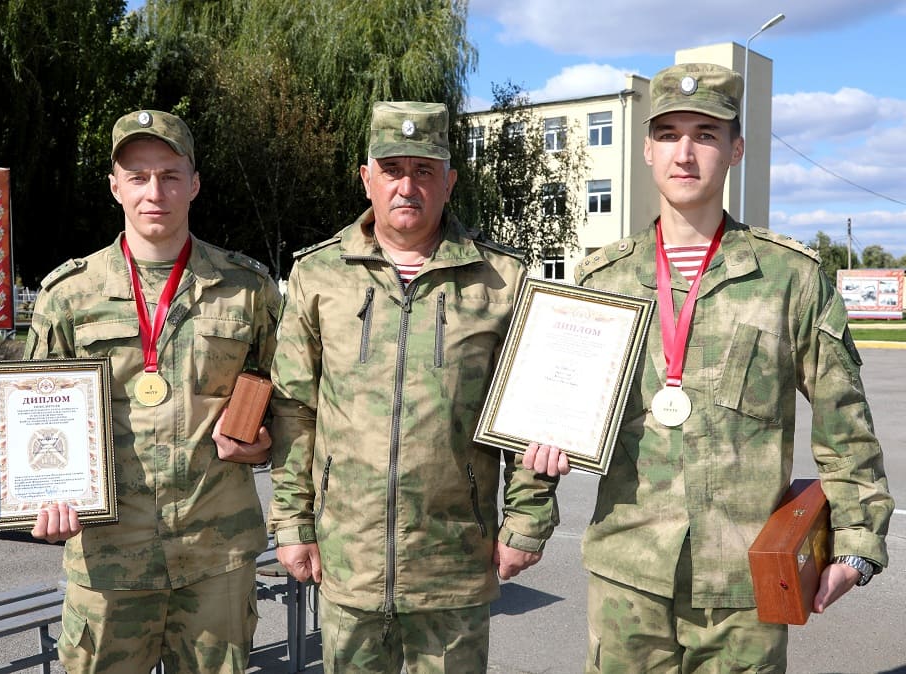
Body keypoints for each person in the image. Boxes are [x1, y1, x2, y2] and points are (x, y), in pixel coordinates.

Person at [524, 63, 894, 672]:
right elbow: (546, 415)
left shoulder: (790, 279)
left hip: (745, 585)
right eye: (668, 134)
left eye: (705, 134)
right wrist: (528, 516)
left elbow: (844, 422)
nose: (685, 152)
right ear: (647, 149)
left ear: (735, 149)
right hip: (627, 576)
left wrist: (856, 543)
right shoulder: (600, 281)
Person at [268, 101, 560, 673]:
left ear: (448, 183)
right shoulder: (320, 275)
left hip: (454, 564)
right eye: (392, 170)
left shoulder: (501, 280)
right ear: (366, 179)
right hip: (348, 559)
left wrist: (526, 522)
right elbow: (295, 409)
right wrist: (293, 523)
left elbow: (533, 413)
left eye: (424, 171)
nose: (407, 186)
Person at [25, 109, 282, 673]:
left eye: (169, 175)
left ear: (194, 184)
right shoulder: (68, 295)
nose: (154, 192)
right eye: (138, 177)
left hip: (215, 557)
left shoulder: (247, 289)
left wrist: (261, 444)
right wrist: (40, 499)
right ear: (115, 187)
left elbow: (283, 404)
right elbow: (33, 421)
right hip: (108, 558)